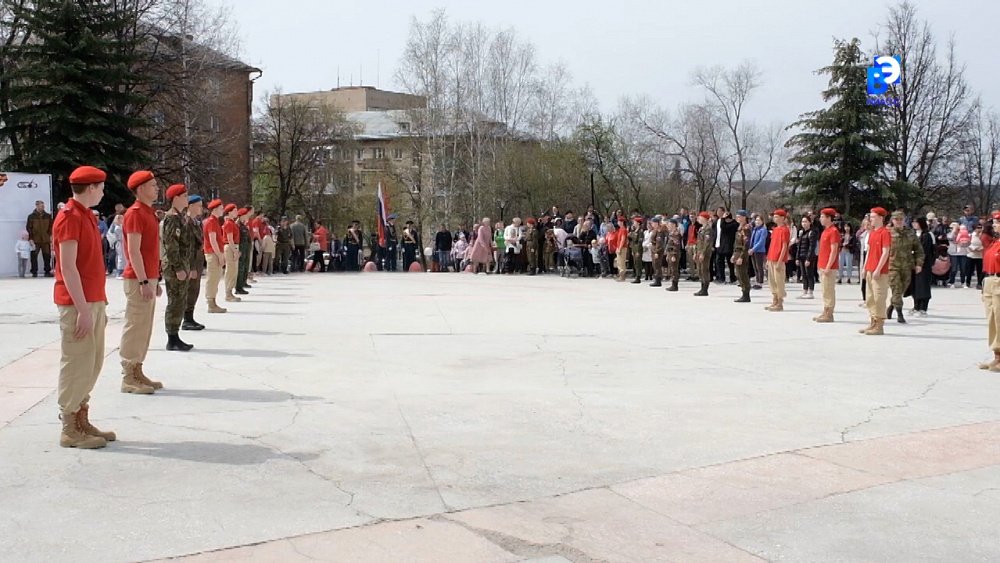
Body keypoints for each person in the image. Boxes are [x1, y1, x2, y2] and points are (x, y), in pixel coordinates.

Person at [53, 166, 114, 448]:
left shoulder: (86, 216)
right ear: (91, 188)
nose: (103, 192)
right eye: (101, 187)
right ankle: (70, 428)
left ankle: (81, 416)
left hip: (93, 299)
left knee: (93, 362)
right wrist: (83, 310)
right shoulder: (69, 217)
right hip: (78, 304)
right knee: (77, 362)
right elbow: (67, 266)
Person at [119, 170, 162, 394]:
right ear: (141, 188)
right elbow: (133, 251)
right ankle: (128, 375)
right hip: (138, 278)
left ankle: (138, 369)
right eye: (153, 185)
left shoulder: (149, 212)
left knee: (144, 328)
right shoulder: (135, 213)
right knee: (135, 326)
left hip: (148, 277)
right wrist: (144, 280)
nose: (156, 188)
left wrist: (155, 279)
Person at [160, 184, 196, 352]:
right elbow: (171, 245)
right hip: (175, 266)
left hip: (182, 263)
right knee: (175, 301)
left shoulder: (180, 217)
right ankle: (172, 338)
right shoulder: (172, 218)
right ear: (175, 198)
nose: (187, 199)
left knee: (180, 301)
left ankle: (175, 336)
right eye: (184, 195)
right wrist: (179, 267)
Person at [886, 210, 924, 324]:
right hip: (892, 266)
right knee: (896, 289)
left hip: (907, 266)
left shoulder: (910, 233)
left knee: (902, 290)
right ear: (892, 220)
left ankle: (892, 306)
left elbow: (919, 250)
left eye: (901, 219)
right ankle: (899, 313)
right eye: (896, 219)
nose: (898, 222)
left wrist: (919, 264)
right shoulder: (887, 232)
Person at [860, 207, 891, 336]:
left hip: (880, 271)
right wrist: (864, 267)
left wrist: (878, 268)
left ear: (880, 218)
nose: (870, 219)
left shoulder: (885, 232)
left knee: (879, 298)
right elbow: (869, 252)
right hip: (870, 269)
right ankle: (872, 321)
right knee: (870, 298)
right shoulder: (872, 233)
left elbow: (886, 252)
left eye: (873, 217)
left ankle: (879, 325)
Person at [978, 212, 1000, 371]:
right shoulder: (994, 242)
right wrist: (987, 225)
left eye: (998, 222)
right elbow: (984, 237)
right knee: (992, 319)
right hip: (989, 280)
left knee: (999, 318)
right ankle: (997, 355)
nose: (994, 225)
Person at [182, 196, 206, 330]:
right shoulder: (186, 222)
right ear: (190, 206)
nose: (201, 208)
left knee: (194, 290)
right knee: (189, 290)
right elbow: (188, 246)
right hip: (190, 263)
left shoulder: (197, 222)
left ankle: (190, 317)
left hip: (197, 261)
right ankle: (186, 319)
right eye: (198, 205)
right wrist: (191, 267)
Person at [814, 208, 842, 323]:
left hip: (829, 267)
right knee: (825, 290)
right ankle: (825, 311)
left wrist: (828, 266)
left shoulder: (833, 231)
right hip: (822, 265)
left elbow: (834, 250)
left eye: (822, 217)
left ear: (829, 218)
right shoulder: (825, 231)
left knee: (829, 290)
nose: (820, 219)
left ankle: (829, 313)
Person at [201, 199, 228, 313]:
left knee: (215, 278)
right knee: (213, 278)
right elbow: (213, 241)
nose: (223, 211)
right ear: (215, 209)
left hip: (214, 252)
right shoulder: (211, 221)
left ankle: (213, 302)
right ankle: (211, 303)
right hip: (213, 253)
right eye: (221, 208)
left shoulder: (214, 221)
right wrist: (220, 255)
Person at [765, 210, 790, 311]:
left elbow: (784, 246)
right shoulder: (775, 229)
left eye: (777, 216)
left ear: (783, 218)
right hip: (771, 257)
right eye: (774, 216)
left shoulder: (785, 230)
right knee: (772, 281)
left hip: (778, 259)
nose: (774, 218)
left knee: (779, 281)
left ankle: (780, 302)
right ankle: (774, 299)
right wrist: (768, 258)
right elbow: (772, 245)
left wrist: (780, 261)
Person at [911, 217, 935, 316]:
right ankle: (916, 306)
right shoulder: (913, 234)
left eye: (916, 222)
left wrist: (919, 262)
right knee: (915, 286)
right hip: (913, 263)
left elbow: (924, 250)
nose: (914, 224)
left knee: (923, 286)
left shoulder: (927, 235)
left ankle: (923, 308)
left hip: (924, 265)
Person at [26, 200, 53, 277]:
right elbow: (29, 228)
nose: (43, 207)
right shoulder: (31, 216)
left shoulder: (48, 216)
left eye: (43, 206)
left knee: (47, 256)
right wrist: (30, 238)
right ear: (37, 206)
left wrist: (50, 235)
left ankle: (47, 271)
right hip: (35, 240)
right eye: (41, 206)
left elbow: (51, 226)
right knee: (34, 256)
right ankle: (34, 272)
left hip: (45, 239)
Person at [222, 204, 241, 302]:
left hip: (233, 246)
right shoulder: (229, 223)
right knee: (230, 270)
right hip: (230, 247)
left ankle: (230, 292)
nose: (236, 212)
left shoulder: (232, 222)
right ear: (229, 212)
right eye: (234, 210)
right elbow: (230, 239)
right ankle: (228, 293)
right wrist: (235, 251)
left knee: (234, 270)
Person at [732, 210, 752, 303]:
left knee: (742, 273)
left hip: (742, 253)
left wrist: (741, 257)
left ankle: (746, 294)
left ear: (744, 217)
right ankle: (743, 293)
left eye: (739, 216)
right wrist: (734, 255)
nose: (737, 218)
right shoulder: (739, 228)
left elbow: (746, 244)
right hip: (737, 252)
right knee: (738, 273)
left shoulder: (746, 228)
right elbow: (736, 243)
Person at [693, 212, 713, 296]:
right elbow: (698, 242)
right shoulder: (701, 229)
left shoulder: (708, 229)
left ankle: (705, 289)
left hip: (705, 253)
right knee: (700, 270)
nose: (698, 219)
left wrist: (703, 253)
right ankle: (702, 287)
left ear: (705, 219)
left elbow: (707, 243)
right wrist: (695, 252)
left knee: (704, 270)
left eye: (700, 217)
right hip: (699, 252)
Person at [750, 215, 767, 290]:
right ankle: (757, 281)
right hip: (753, 250)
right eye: (756, 220)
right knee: (755, 267)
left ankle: (760, 282)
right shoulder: (754, 229)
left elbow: (761, 241)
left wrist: (753, 249)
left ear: (762, 221)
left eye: (759, 220)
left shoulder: (763, 230)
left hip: (759, 250)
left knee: (759, 267)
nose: (757, 222)